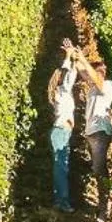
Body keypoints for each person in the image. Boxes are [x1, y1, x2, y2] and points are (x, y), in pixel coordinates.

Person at [80, 58, 112, 222]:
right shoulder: (93, 88)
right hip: (91, 132)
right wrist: (73, 56)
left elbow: (94, 77)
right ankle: (104, 202)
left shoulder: (107, 86)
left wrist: (83, 59)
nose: (88, 77)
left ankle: (105, 207)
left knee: (99, 169)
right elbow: (84, 73)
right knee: (97, 169)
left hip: (100, 132)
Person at [48, 43, 80, 211]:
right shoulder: (62, 91)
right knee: (61, 167)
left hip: (61, 132)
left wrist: (73, 58)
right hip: (60, 132)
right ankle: (62, 201)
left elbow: (68, 75)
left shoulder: (60, 92)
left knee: (61, 166)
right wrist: (70, 57)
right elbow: (69, 76)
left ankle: (60, 199)